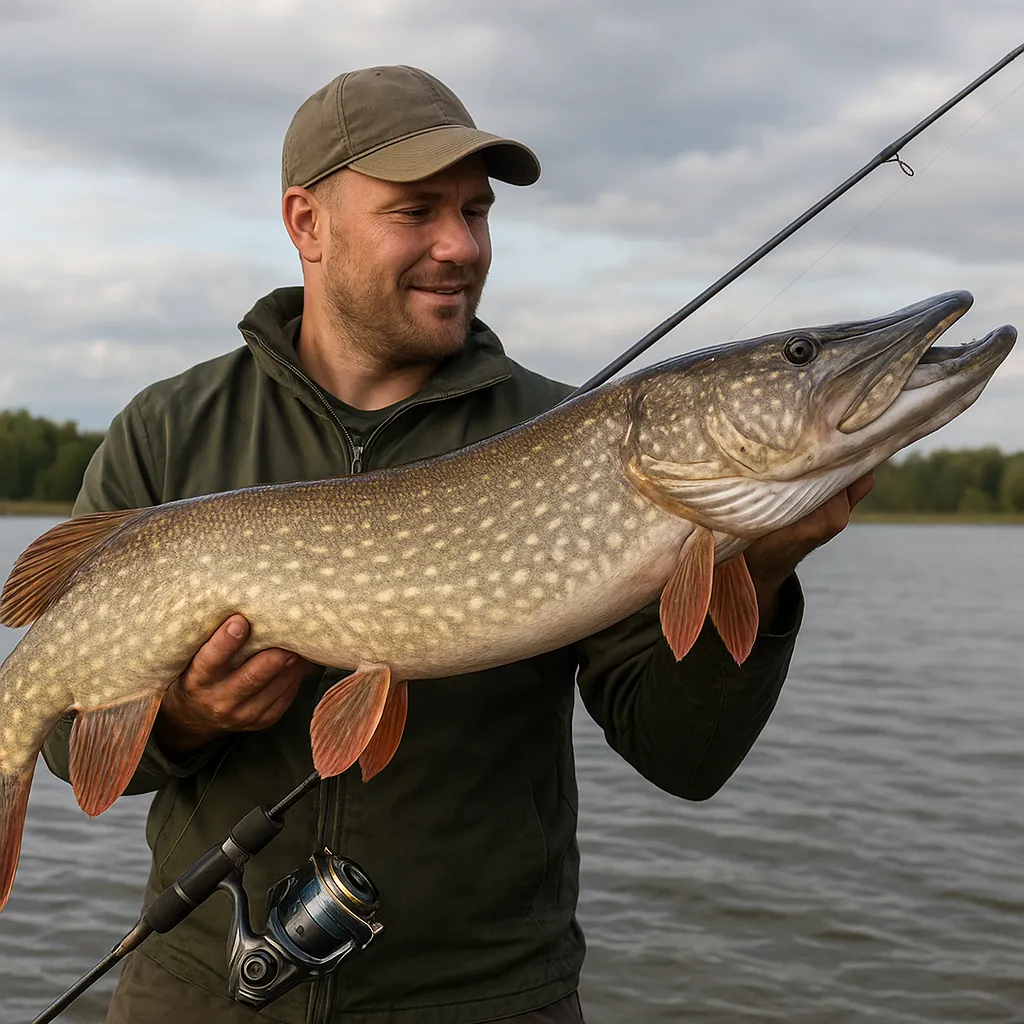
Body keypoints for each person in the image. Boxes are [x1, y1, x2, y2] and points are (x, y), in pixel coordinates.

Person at [42, 66, 872, 1024]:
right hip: (206, 987)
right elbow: (70, 744)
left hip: (485, 996)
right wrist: (187, 716)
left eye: (476, 212)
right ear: (306, 223)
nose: (460, 246)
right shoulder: (169, 432)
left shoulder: (577, 438)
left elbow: (681, 757)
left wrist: (760, 569)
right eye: (416, 211)